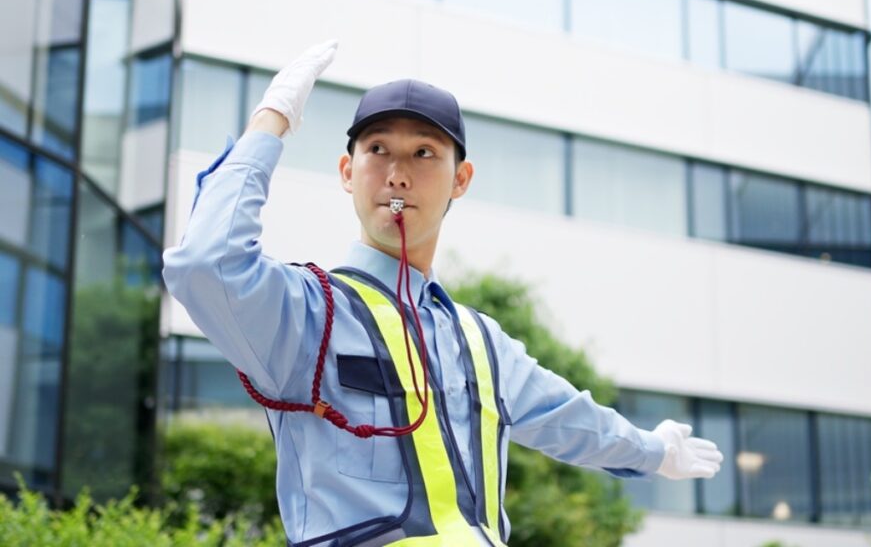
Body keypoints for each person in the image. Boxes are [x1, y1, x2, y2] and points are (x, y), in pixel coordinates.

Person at [163, 40, 724, 547]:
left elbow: (570, 420)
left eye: (424, 153)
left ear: (462, 179)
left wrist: (656, 452)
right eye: (377, 149)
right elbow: (205, 263)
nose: (397, 174)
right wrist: (272, 121)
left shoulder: (480, 341)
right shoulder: (307, 313)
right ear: (346, 171)